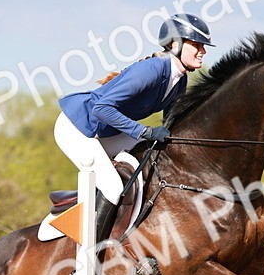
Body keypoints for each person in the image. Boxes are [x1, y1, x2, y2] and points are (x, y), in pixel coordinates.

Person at [50, 13, 213, 243]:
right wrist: (144, 131)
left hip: (106, 131)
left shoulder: (179, 80)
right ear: (175, 44)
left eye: (203, 46)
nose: (202, 51)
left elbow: (171, 126)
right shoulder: (153, 69)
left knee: (151, 156)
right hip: (78, 128)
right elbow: (100, 108)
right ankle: (87, 259)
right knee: (114, 186)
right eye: (196, 44)